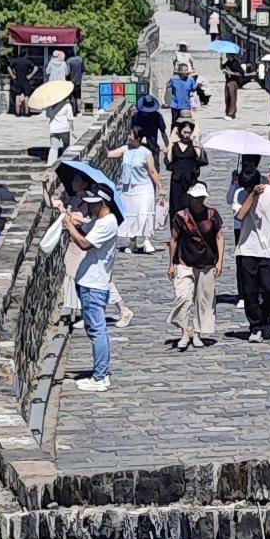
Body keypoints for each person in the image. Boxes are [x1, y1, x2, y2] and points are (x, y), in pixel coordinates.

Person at [64, 188, 119, 392]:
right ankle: (99, 371)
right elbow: (87, 236)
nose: (89, 206)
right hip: (88, 281)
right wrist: (76, 225)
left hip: (95, 284)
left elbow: (85, 244)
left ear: (103, 203)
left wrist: (70, 226)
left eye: (93, 203)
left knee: (97, 330)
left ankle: (100, 377)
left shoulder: (107, 222)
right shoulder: (101, 221)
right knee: (93, 329)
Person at [234, 164, 270, 343]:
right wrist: (252, 195)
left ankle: (266, 318)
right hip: (247, 248)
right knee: (250, 291)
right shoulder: (241, 195)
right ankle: (255, 326)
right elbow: (240, 215)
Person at [168, 183, 224, 350]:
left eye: (200, 198)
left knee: (204, 300)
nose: (198, 202)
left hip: (206, 263)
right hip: (185, 262)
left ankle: (198, 333)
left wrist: (220, 260)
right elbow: (174, 240)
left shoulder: (212, 215)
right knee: (183, 297)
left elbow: (219, 237)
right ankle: (185, 332)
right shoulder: (181, 216)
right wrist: (171, 264)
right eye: (195, 198)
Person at [105, 125, 162, 253]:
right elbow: (108, 154)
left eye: (131, 135)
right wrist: (104, 143)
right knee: (131, 215)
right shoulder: (125, 149)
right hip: (128, 189)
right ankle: (132, 242)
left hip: (143, 187)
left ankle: (147, 240)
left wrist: (160, 187)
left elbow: (152, 171)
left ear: (139, 138)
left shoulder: (146, 153)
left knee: (144, 212)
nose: (129, 138)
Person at [164, 120, 207, 219]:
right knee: (176, 206)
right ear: (179, 132)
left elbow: (203, 161)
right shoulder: (174, 146)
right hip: (177, 180)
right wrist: (168, 152)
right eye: (185, 132)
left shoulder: (193, 145)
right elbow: (168, 163)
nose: (187, 135)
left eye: (189, 132)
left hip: (190, 180)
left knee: (191, 205)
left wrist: (199, 148)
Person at [167, 63, 199, 130]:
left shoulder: (191, 80)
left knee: (186, 124)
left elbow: (193, 91)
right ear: (180, 71)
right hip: (175, 105)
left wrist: (194, 104)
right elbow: (167, 90)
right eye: (185, 70)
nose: (186, 72)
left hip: (186, 105)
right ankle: (173, 138)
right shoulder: (173, 79)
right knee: (175, 124)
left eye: (187, 70)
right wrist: (167, 101)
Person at [45, 92, 75, 161]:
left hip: (54, 130)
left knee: (54, 147)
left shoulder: (50, 106)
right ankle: (65, 161)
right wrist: (72, 130)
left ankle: (51, 163)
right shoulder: (67, 105)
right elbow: (70, 119)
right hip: (64, 129)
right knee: (66, 147)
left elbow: (48, 115)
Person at [10, 52, 40, 116]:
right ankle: (26, 112)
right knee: (26, 96)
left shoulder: (15, 61)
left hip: (17, 80)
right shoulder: (27, 61)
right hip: (25, 80)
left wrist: (12, 75)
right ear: (25, 55)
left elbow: (8, 67)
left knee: (17, 95)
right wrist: (30, 75)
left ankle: (17, 113)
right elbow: (36, 68)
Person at [221, 51, 249, 118]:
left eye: (227, 54)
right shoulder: (228, 61)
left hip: (233, 82)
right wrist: (220, 61)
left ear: (230, 55)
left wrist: (230, 72)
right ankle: (227, 113)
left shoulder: (235, 63)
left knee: (233, 98)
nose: (226, 54)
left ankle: (232, 114)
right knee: (227, 98)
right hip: (228, 81)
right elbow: (222, 67)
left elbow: (241, 73)